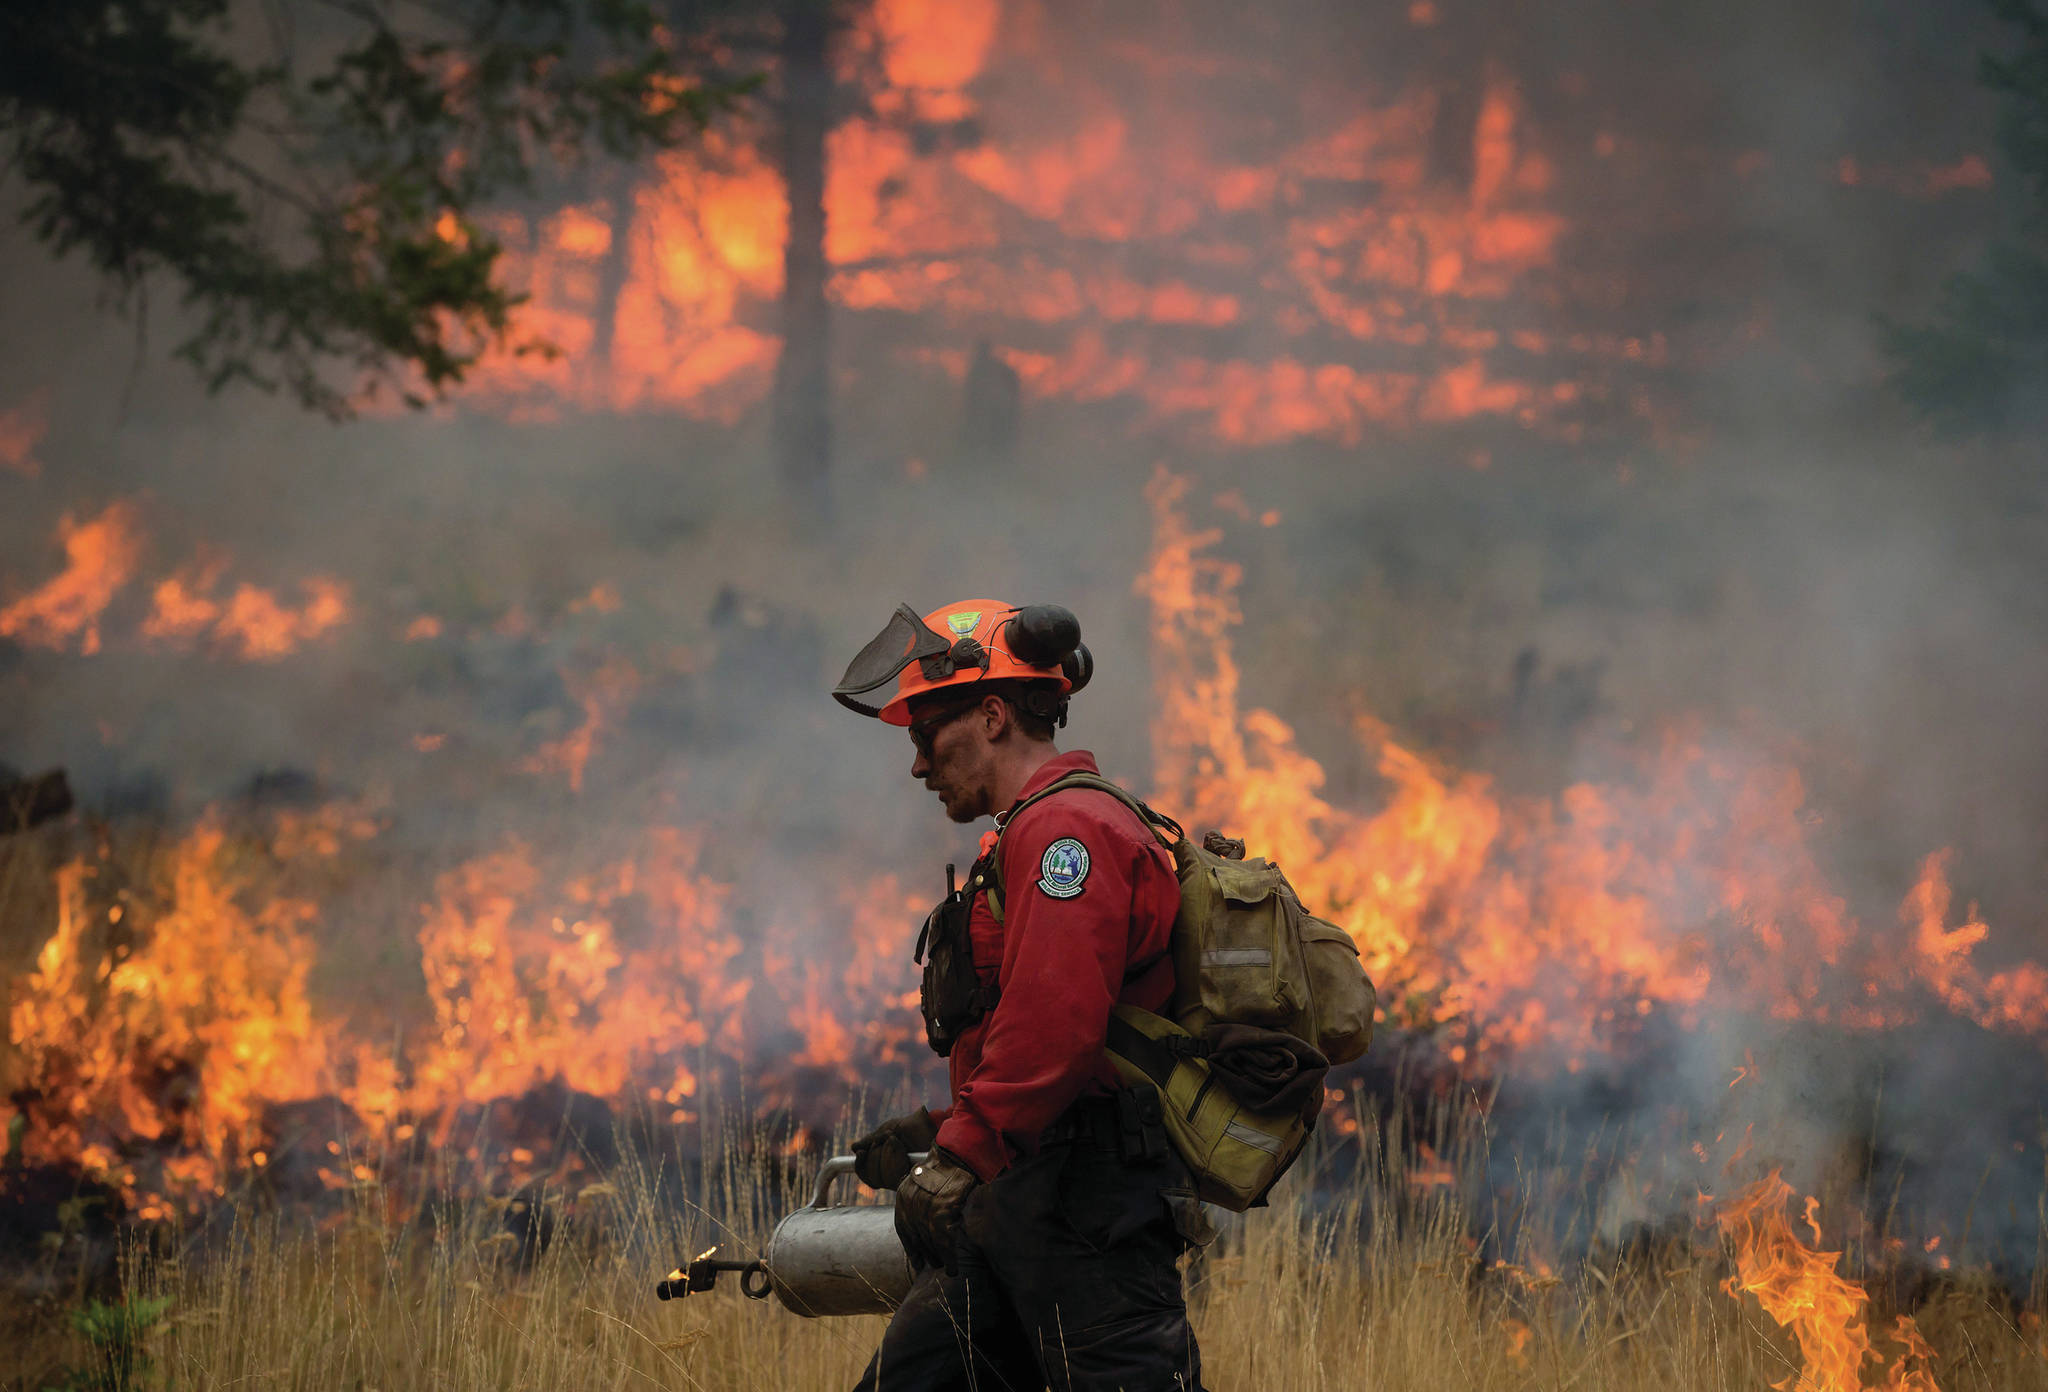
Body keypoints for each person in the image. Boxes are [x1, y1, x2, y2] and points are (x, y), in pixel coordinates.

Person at [832, 599, 1207, 1392]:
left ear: (993, 715)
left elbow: (1057, 1027)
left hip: (1088, 1216)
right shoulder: (1035, 830)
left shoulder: (1069, 833)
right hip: (1019, 1206)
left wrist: (964, 1150)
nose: (918, 764)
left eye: (925, 734)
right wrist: (940, 1130)